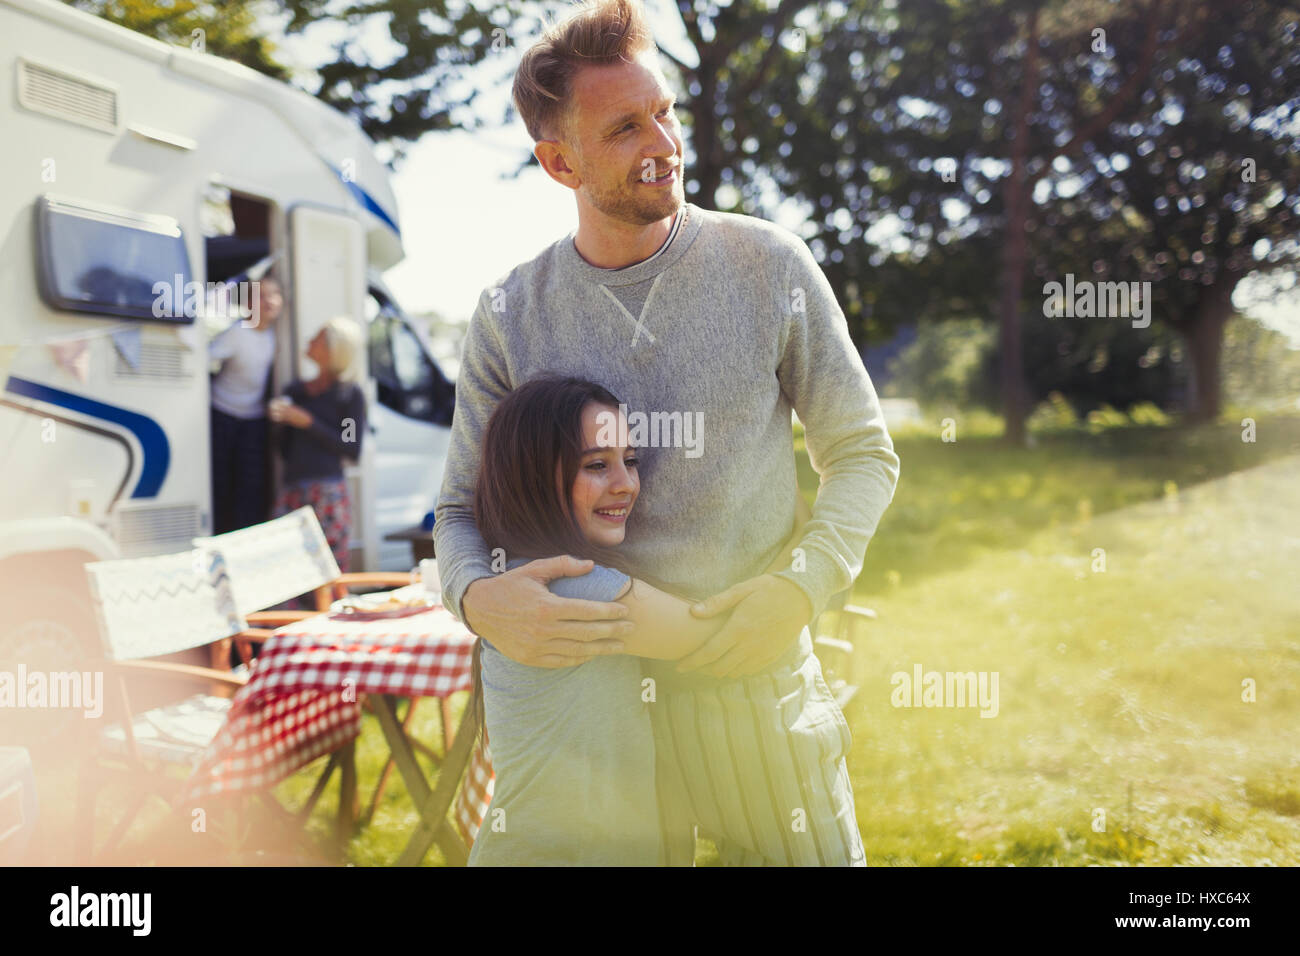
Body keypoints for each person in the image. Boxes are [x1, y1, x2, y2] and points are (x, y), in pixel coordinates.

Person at [435, 0, 900, 866]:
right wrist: (473, 596)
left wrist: (802, 588)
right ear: (559, 161)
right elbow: (459, 507)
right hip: (592, 702)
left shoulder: (770, 265)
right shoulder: (508, 313)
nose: (662, 142)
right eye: (624, 128)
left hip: (749, 679)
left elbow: (863, 452)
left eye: (665, 112)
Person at [467, 375, 809, 865]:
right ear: (533, 476)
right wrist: (798, 541)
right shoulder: (575, 589)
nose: (625, 483)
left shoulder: (525, 583)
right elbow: (730, 634)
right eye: (596, 465)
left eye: (630, 460)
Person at [268, 316, 367, 572]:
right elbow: (283, 449)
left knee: (328, 570)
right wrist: (278, 422)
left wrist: (308, 422)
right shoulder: (296, 391)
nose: (309, 341)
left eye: (318, 338)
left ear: (334, 350)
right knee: (287, 568)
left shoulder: (348, 395)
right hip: (292, 489)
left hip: (327, 493)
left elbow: (350, 447)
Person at [209, 274, 283, 533]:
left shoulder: (280, 338)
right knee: (220, 484)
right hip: (223, 413)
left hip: (254, 420)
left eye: (274, 294)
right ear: (249, 303)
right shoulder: (237, 333)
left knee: (251, 487)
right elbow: (203, 358)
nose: (269, 301)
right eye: (262, 295)